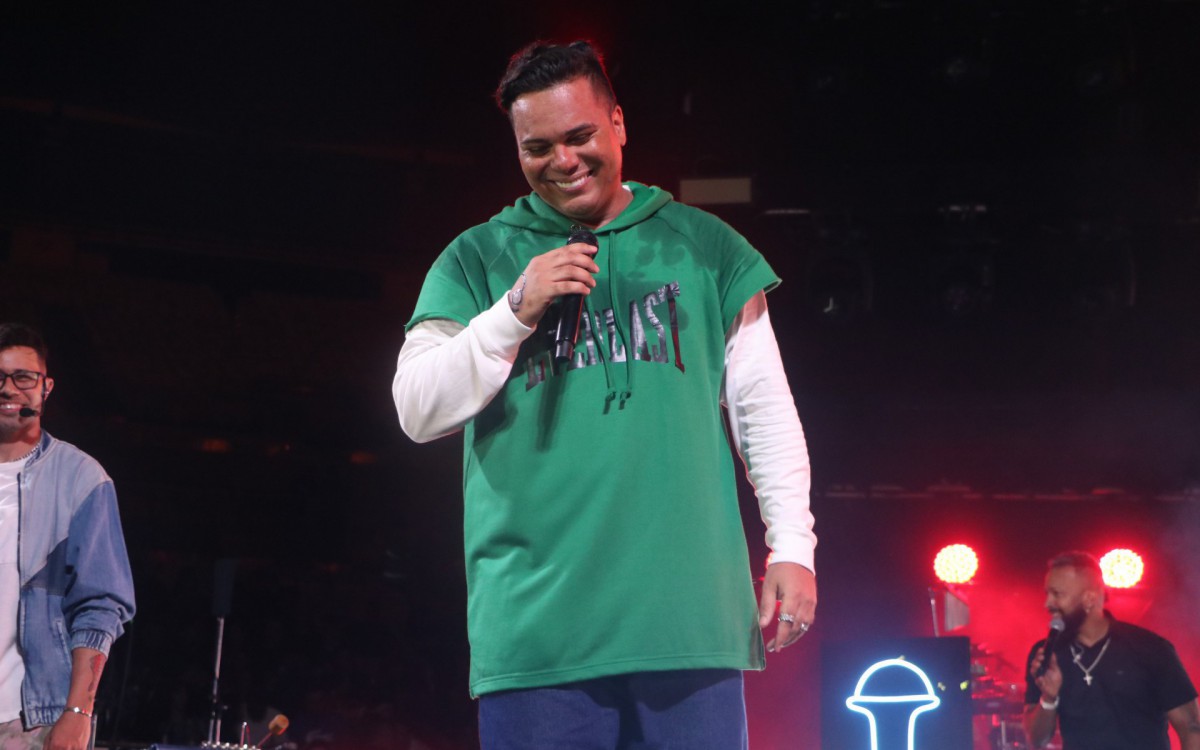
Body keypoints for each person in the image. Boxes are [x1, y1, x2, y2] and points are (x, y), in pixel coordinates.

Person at [392, 40, 816, 748]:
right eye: (538, 147)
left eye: (580, 135)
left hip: (690, 623)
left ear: (618, 124)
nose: (563, 160)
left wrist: (792, 547)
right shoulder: (476, 259)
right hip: (537, 637)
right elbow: (416, 409)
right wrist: (512, 312)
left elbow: (761, 409)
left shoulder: (704, 248)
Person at [0, 323, 136, 750]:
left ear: (46, 387)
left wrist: (78, 714)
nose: (9, 389)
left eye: (23, 377)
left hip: (29, 721)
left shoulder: (81, 479)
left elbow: (100, 606)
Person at [1023, 550, 1200, 749]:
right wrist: (1048, 697)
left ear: (1089, 599)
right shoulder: (1048, 654)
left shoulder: (1150, 649)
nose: (1048, 603)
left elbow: (1191, 727)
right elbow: (1036, 740)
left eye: (1058, 594)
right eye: (1047, 593)